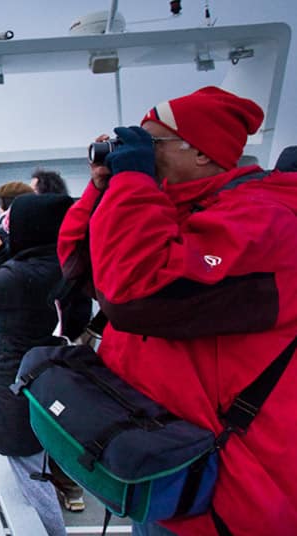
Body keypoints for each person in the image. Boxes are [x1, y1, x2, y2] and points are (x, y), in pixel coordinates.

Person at [58, 86, 297, 535]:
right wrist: (102, 188)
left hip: (226, 487)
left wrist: (132, 183)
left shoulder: (266, 219)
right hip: (165, 463)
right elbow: (79, 266)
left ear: (203, 154)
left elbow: (135, 295)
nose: (139, 154)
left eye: (151, 144)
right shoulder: (168, 209)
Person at [0, 193, 87, 536]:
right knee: (32, 458)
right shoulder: (53, 262)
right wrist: (2, 251)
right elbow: (24, 276)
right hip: (34, 373)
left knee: (29, 469)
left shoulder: (22, 275)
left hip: (14, 379)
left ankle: (50, 530)